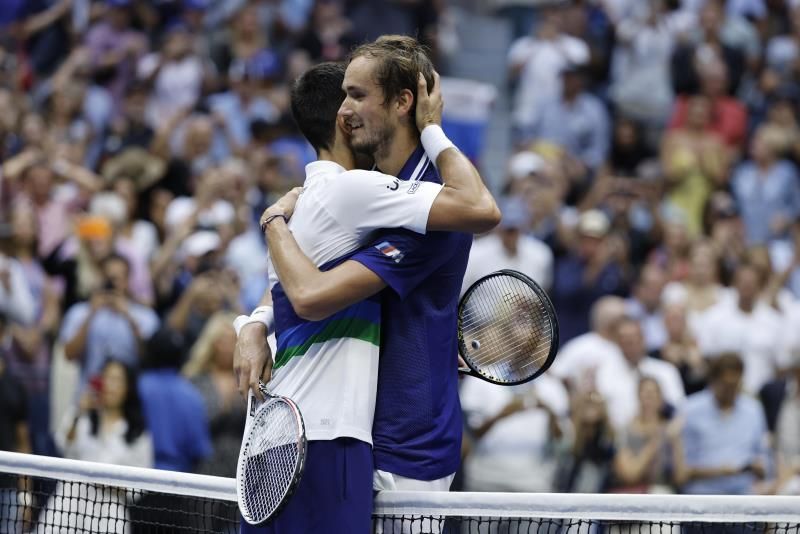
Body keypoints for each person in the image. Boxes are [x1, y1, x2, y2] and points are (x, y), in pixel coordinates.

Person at [235, 40, 499, 534]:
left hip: (409, 451)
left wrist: (271, 219)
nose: (343, 110)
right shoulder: (368, 191)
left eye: (356, 95)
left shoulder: (436, 212)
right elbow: (302, 277)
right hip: (355, 436)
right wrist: (255, 323)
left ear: (402, 102)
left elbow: (312, 293)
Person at [39, 359, 153, 534]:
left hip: (109, 515)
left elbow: (141, 484)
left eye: (117, 380)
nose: (111, 385)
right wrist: (78, 412)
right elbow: (63, 444)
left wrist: (109, 484)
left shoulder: (138, 433)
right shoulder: (83, 416)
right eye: (107, 377)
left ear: (128, 387)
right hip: (68, 506)